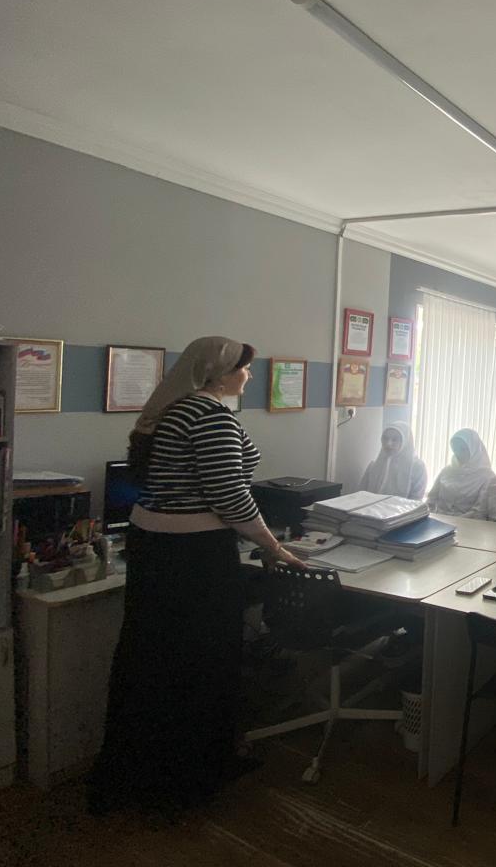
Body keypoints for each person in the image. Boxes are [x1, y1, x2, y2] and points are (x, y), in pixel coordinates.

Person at [90, 337, 303, 814]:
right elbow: (230, 497)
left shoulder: (170, 411)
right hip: (194, 557)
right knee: (203, 661)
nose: (249, 374)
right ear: (217, 374)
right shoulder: (210, 416)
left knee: (152, 659)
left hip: (153, 549)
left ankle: (136, 774)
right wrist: (274, 547)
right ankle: (191, 777)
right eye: (243, 367)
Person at [427, 428, 495, 514]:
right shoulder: (447, 471)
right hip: (437, 518)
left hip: (467, 521)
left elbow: (479, 511)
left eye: (463, 449)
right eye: (455, 449)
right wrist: (431, 515)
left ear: (474, 449)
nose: (458, 453)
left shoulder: (487, 477)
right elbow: (431, 498)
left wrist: (454, 520)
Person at [359, 421, 428, 499]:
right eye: (385, 438)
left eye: (395, 440)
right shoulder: (373, 466)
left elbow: (415, 501)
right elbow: (360, 495)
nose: (388, 443)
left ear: (405, 441)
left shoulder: (417, 468)